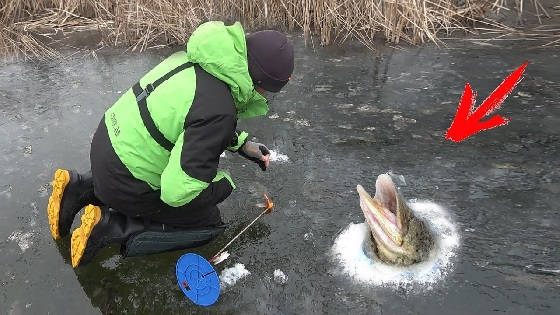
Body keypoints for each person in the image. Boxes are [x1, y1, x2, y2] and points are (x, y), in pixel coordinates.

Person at [46, 21, 294, 268]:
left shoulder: (191, 61)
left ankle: (78, 187)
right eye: (267, 91)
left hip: (105, 150)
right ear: (259, 83)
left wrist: (241, 144)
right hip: (125, 181)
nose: (263, 97)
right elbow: (177, 193)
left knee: (149, 155)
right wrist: (221, 186)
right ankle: (111, 227)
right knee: (209, 224)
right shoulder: (219, 110)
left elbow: (190, 118)